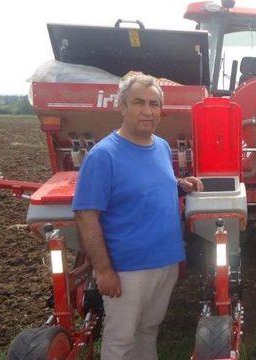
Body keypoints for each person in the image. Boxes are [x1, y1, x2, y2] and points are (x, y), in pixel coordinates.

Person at [73, 74, 203, 359]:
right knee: (120, 339)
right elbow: (86, 215)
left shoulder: (162, 146)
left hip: (165, 261)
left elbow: (150, 184)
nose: (148, 111)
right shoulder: (103, 155)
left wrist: (180, 184)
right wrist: (104, 270)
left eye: (154, 104)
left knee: (148, 330)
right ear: (121, 106)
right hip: (127, 269)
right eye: (139, 103)